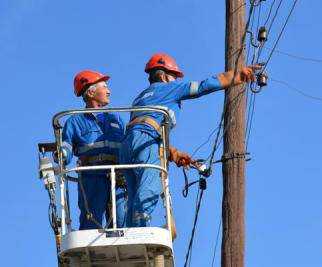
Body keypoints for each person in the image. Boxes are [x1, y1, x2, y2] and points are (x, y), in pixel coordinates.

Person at [119, 53, 260, 227]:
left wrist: (174, 154)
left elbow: (142, 132)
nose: (176, 80)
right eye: (174, 76)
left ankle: (132, 230)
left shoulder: (140, 97)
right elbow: (203, 86)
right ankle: (140, 230)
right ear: (163, 75)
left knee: (134, 192)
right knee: (150, 185)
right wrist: (239, 75)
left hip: (128, 146)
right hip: (147, 140)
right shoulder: (169, 88)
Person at [57, 70, 126, 230]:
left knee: (122, 220)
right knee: (91, 220)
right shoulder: (75, 121)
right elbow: (66, 145)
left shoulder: (115, 118)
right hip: (92, 175)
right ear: (91, 92)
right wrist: (61, 154)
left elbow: (126, 144)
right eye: (105, 87)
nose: (109, 91)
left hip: (119, 174)